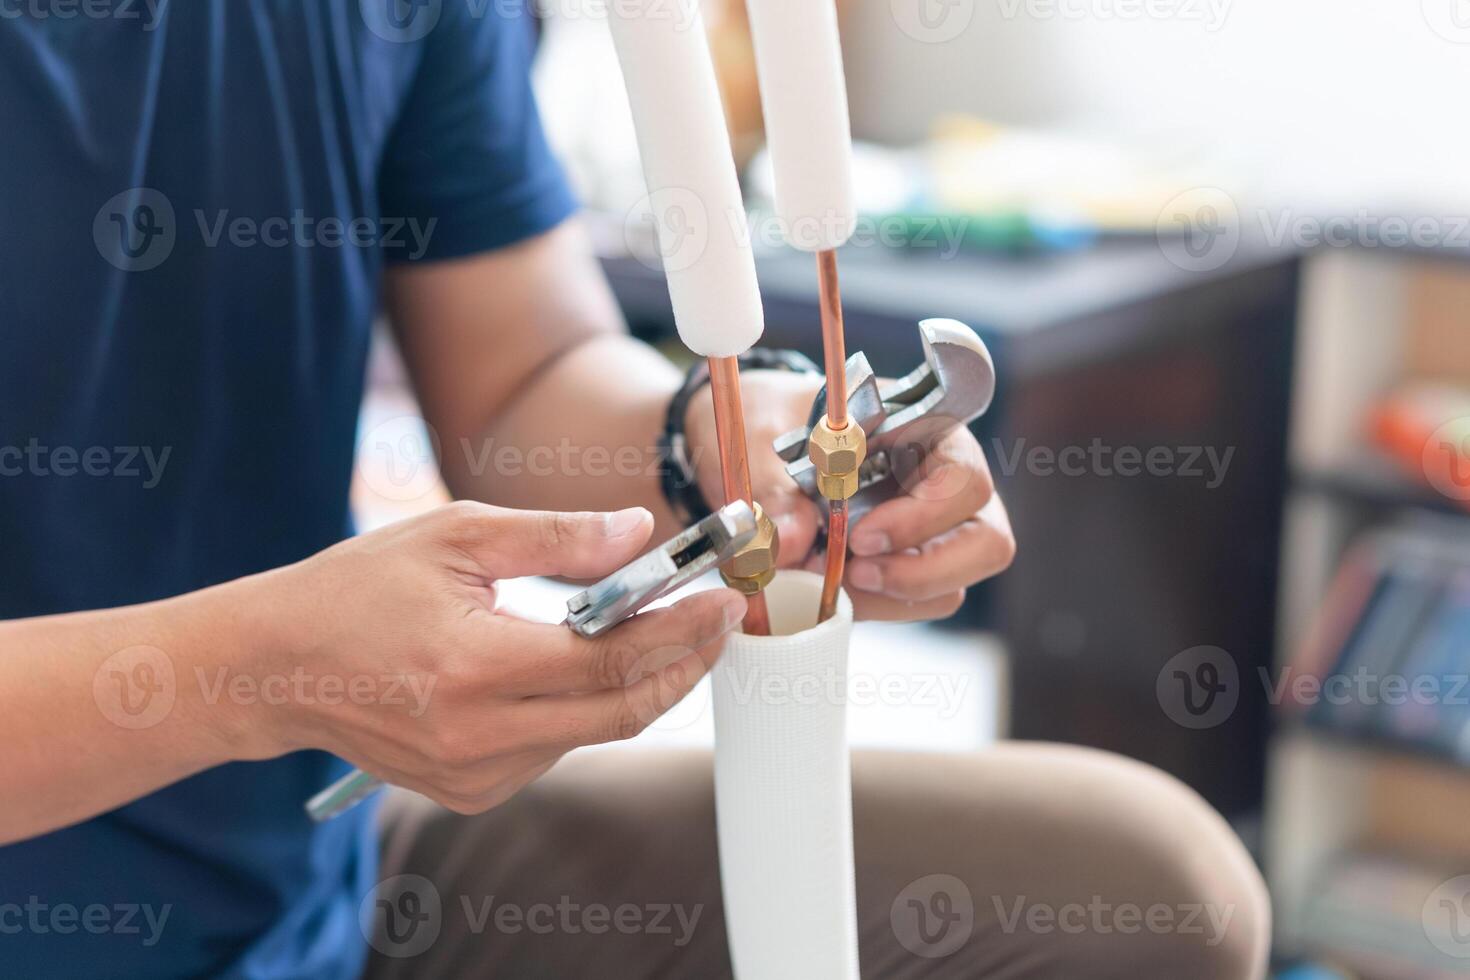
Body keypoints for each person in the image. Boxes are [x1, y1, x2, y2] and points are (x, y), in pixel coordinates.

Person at [0, 3, 1268, 977]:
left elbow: (520, 374)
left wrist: (720, 433)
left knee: (1158, 889)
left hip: (305, 870)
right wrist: (255, 676)